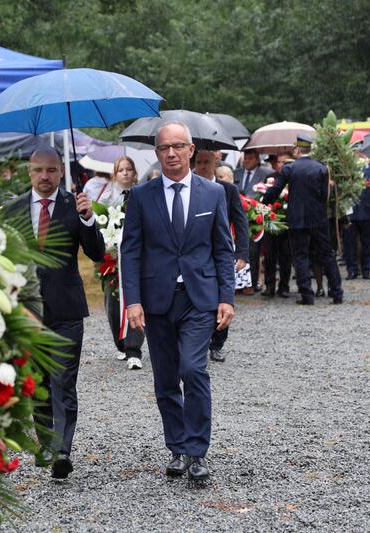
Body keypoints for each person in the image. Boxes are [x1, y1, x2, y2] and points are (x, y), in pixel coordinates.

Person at [121, 123, 235, 482]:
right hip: (157, 301)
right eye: (164, 148)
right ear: (156, 153)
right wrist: (133, 301)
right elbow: (131, 251)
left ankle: (198, 450)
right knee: (166, 379)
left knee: (193, 369)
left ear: (190, 150)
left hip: (199, 299)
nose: (171, 153)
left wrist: (227, 298)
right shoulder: (141, 196)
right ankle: (178, 447)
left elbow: (222, 248)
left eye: (178, 146)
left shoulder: (212, 194)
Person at [6, 147, 105, 480]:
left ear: (61, 172)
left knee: (64, 379)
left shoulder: (72, 205)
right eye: (38, 170)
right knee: (38, 383)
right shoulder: (14, 209)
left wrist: (88, 219)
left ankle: (62, 449)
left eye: (51, 170)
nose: (44, 176)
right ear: (29, 172)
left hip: (66, 308)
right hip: (28, 309)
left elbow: (96, 253)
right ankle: (46, 442)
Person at [262, 135, 343, 305]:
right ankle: (337, 293)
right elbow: (325, 195)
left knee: (300, 255)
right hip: (318, 218)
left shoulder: (290, 168)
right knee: (327, 254)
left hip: (297, 218)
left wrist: (263, 203)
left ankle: (307, 294)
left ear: (297, 150)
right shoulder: (322, 168)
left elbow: (276, 189)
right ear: (310, 150)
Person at [194, 150, 249, 363]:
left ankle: (217, 344)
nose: (202, 166)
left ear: (215, 163)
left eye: (206, 162)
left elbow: (240, 221)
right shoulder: (190, 189)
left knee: (223, 297)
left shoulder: (227, 190)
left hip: (222, 252)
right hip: (198, 252)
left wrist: (242, 253)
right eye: (198, 162)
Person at [100, 156, 146, 370]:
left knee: (136, 298)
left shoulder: (142, 195)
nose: (126, 173)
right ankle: (120, 343)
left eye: (129, 169)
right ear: (115, 173)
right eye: (121, 170)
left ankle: (134, 348)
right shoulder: (106, 197)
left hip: (137, 257)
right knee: (112, 299)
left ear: (135, 173)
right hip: (112, 257)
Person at [234, 149, 273, 294]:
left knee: (254, 251)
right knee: (237, 250)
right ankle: (239, 282)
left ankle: (253, 281)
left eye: (250, 158)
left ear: (257, 159)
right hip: (237, 215)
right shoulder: (236, 173)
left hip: (256, 218)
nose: (246, 161)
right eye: (245, 158)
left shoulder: (266, 173)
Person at [262, 152, 293, 298]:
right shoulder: (270, 178)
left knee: (286, 256)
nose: (282, 164)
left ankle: (284, 286)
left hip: (287, 222)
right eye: (280, 161)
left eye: (285, 162)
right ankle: (269, 285)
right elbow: (263, 196)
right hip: (271, 221)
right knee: (269, 255)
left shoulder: (293, 177)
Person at [343, 157, 370, 280]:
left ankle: (366, 269)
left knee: (367, 242)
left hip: (367, 211)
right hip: (350, 211)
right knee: (349, 243)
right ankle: (352, 269)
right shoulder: (345, 168)